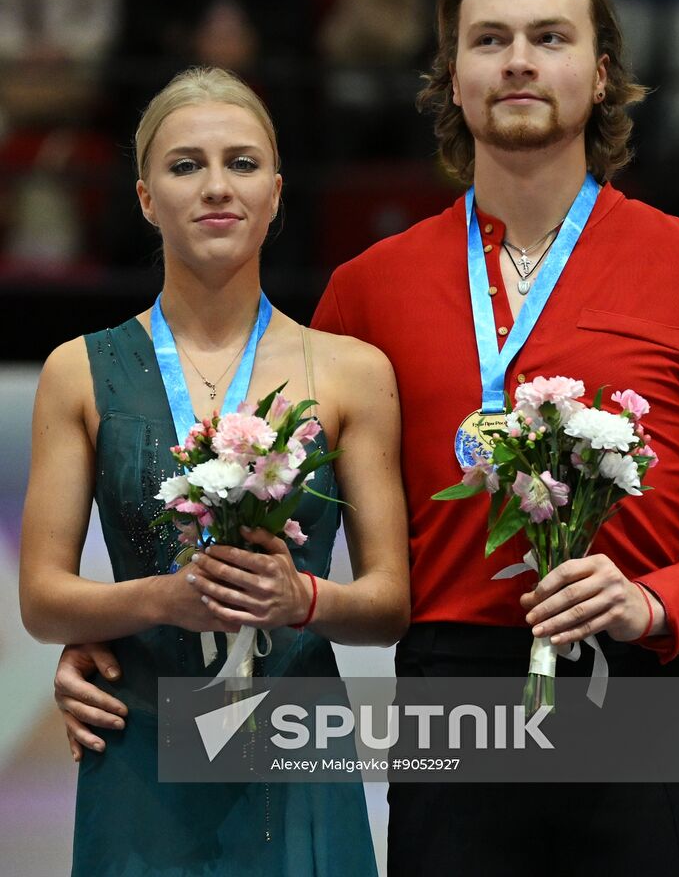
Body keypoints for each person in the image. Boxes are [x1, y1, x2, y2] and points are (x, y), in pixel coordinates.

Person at [51, 0, 679, 876]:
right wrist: (123, 642)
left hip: (634, 684)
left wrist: (653, 599)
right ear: (452, 77)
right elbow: (261, 507)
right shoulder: (369, 290)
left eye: (549, 37)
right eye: (489, 40)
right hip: (447, 697)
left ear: (602, 73)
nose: (517, 60)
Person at [19, 66, 409, 876]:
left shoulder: (352, 371)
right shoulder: (78, 370)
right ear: (145, 198)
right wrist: (161, 599)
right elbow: (43, 598)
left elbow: (389, 604)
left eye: (242, 163)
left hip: (296, 744)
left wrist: (302, 598)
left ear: (275, 192)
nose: (216, 186)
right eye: (185, 165)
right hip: (140, 744)